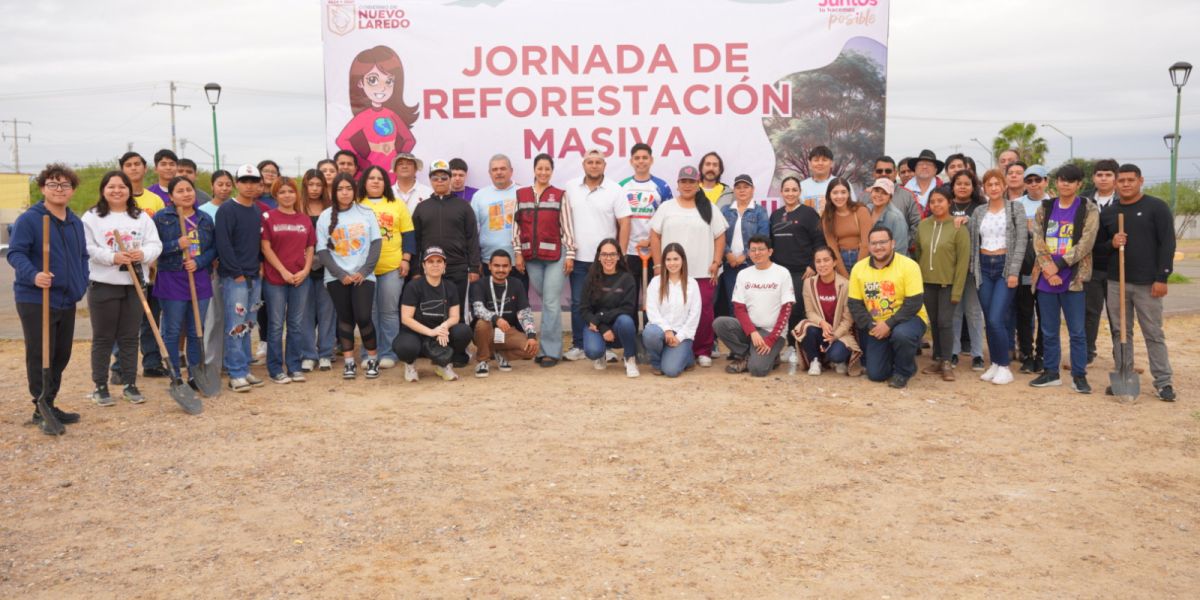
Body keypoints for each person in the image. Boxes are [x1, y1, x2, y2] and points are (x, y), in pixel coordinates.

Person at [9, 164, 89, 433]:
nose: (59, 189)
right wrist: (34, 275)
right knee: (40, 353)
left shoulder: (75, 222)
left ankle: (50, 403)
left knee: (60, 353)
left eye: (64, 185)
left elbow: (82, 257)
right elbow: (15, 253)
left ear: (72, 190)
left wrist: (81, 283)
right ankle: (39, 407)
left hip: (66, 298)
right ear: (43, 188)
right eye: (53, 184)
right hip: (35, 297)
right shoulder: (30, 219)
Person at [82, 169, 163, 404]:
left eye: (122, 187)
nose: (117, 191)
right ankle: (100, 386)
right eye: (111, 187)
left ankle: (130, 384)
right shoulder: (92, 217)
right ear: (103, 190)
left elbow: (155, 244)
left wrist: (143, 253)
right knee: (103, 337)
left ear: (129, 190)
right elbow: (86, 248)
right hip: (104, 284)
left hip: (134, 284)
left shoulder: (140, 217)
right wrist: (112, 257)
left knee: (130, 337)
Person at [1097, 164, 1176, 401]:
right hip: (1116, 282)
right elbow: (1097, 249)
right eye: (1121, 180)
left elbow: (1168, 244)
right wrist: (1112, 243)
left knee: (1153, 332)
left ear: (1141, 180)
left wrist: (1162, 277)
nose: (1126, 184)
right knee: (1121, 332)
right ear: (1116, 183)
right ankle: (1124, 375)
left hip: (1147, 283)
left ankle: (1163, 382)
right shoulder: (1109, 213)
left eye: (1131, 180)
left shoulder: (1156, 207)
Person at [1029, 164, 1099, 393]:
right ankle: (1051, 372)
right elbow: (1037, 239)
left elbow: (1086, 243)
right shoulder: (1045, 208)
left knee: (1077, 331)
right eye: (1062, 180)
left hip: (1073, 278)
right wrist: (1048, 267)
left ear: (1079, 184)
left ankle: (1079, 375)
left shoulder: (1088, 209)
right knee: (1048, 329)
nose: (1065, 184)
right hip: (1046, 278)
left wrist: (1058, 265)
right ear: (1055, 182)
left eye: (1071, 180)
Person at [649, 165, 727, 367]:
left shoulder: (708, 207)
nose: (687, 185)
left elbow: (720, 236)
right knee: (672, 310)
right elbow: (655, 236)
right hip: (671, 272)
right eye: (683, 181)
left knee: (703, 312)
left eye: (691, 181)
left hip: (702, 271)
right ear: (678, 184)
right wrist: (658, 265)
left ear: (698, 183)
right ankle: (675, 347)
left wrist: (716, 262)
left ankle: (703, 350)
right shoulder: (667, 207)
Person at [411, 159, 481, 366]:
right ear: (430, 181)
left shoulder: (463, 206)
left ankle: (458, 353)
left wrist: (474, 267)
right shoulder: (422, 208)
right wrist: (417, 269)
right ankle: (434, 350)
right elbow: (415, 241)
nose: (440, 181)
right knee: (431, 313)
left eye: (444, 177)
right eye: (435, 178)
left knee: (456, 314)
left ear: (450, 180)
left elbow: (472, 238)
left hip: (459, 269)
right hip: (430, 271)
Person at [564, 150, 631, 361]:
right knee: (577, 303)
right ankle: (579, 345)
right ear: (583, 164)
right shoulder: (570, 188)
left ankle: (607, 347)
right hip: (579, 257)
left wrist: (620, 253)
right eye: (590, 162)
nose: (594, 165)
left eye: (598, 162)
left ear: (604, 165)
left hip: (607, 261)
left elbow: (625, 222)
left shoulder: (615, 189)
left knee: (606, 303)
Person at [511, 153, 575, 367]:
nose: (543, 172)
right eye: (540, 168)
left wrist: (571, 255)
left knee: (550, 302)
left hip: (556, 256)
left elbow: (567, 228)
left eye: (547, 169)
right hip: (531, 257)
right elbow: (516, 227)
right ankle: (545, 348)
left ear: (552, 171)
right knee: (549, 300)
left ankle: (550, 351)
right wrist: (518, 252)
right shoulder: (520, 194)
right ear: (534, 170)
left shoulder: (559, 195)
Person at [317, 172, 383, 379]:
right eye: (340, 189)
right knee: (345, 319)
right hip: (337, 278)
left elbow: (376, 243)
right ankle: (348, 363)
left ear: (354, 191)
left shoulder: (365, 212)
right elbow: (322, 251)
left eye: (348, 188)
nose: (344, 193)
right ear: (333, 192)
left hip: (363, 276)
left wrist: (364, 271)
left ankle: (372, 359)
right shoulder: (325, 216)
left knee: (364, 317)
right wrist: (340, 274)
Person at [153, 176, 216, 389]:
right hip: (172, 277)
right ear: (171, 196)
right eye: (180, 191)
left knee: (196, 328)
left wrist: (199, 261)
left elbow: (213, 249)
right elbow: (154, 248)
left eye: (189, 189)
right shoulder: (162, 218)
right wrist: (175, 244)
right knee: (172, 329)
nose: (186, 194)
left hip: (198, 277)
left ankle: (194, 373)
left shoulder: (204, 219)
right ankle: (174, 375)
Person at [849, 225, 929, 388]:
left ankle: (903, 372)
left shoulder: (909, 265)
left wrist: (889, 324)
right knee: (876, 375)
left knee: (902, 335)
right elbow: (854, 304)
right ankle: (901, 358)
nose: (878, 247)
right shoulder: (859, 268)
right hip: (876, 325)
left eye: (883, 242)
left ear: (892, 243)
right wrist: (873, 326)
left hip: (908, 320)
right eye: (874, 243)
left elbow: (914, 303)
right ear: (869, 246)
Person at [968, 168, 1027, 385]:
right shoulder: (979, 212)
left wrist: (1013, 272)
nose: (993, 188)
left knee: (996, 318)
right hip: (984, 267)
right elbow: (973, 239)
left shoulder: (1015, 208)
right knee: (989, 319)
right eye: (989, 184)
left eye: (996, 184)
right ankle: (994, 363)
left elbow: (1021, 241)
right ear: (984, 188)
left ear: (1004, 186)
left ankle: (1004, 366)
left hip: (1004, 267)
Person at [214, 164, 267, 392]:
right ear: (237, 183)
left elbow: (257, 244)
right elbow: (223, 244)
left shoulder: (257, 211)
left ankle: (245, 368)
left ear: (259, 184)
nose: (249, 185)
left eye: (253, 181)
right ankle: (235, 372)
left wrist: (259, 267)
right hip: (234, 277)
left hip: (254, 276)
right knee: (236, 324)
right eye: (244, 181)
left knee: (248, 324)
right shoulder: (227, 210)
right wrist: (235, 273)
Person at [358, 164, 415, 370]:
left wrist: (406, 259)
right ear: (364, 182)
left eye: (380, 178)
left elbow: (408, 234)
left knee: (389, 312)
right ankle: (368, 353)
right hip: (364, 269)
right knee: (368, 312)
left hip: (392, 266)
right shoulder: (356, 204)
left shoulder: (396, 204)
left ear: (385, 183)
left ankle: (389, 352)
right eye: (371, 178)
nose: (375, 181)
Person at [261, 177, 316, 384]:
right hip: (276, 278)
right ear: (276, 195)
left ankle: (294, 365)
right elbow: (265, 247)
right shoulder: (268, 217)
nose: (287, 195)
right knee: (276, 324)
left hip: (300, 278)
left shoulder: (304, 219)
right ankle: (276, 368)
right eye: (282, 192)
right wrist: (283, 271)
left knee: (295, 324)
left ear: (296, 194)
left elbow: (310, 247)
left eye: (290, 191)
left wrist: (306, 270)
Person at [715, 235, 794, 377]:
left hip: (771, 332)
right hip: (749, 330)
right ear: (749, 253)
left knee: (758, 370)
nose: (757, 253)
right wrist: (752, 332)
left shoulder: (782, 273)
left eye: (761, 249)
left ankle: (764, 356)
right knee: (720, 323)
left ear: (770, 251)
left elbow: (786, 310)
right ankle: (748, 354)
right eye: (753, 250)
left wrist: (770, 340)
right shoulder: (743, 274)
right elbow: (739, 308)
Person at [335, 45, 418, 179]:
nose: (382, 88)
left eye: (389, 81)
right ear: (360, 83)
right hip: (372, 171)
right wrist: (361, 163)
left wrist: (399, 160)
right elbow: (341, 140)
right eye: (373, 80)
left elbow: (410, 140)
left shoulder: (391, 114)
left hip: (393, 174)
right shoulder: (363, 117)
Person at [394, 246, 473, 382]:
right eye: (430, 262)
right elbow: (406, 319)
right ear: (424, 266)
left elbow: (455, 316)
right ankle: (410, 364)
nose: (435, 265)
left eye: (439, 261)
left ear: (444, 265)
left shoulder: (450, 286)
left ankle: (442, 364)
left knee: (463, 331)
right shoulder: (413, 286)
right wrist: (431, 332)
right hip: (416, 334)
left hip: (440, 335)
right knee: (405, 347)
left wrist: (443, 327)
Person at [914, 188, 969, 381]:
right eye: (933, 201)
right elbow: (918, 252)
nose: (936, 205)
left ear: (949, 202)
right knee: (935, 322)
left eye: (941, 201)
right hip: (927, 283)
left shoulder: (958, 227)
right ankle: (937, 359)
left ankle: (947, 362)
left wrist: (957, 291)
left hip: (948, 284)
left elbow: (963, 262)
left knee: (945, 322)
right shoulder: (923, 226)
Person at [770, 176, 823, 350]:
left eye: (794, 190)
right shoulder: (776, 215)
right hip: (780, 272)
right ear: (781, 192)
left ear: (800, 192)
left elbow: (819, 241)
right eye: (787, 190)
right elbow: (770, 243)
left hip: (801, 272)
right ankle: (785, 345)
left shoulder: (809, 214)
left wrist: (812, 266)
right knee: (781, 310)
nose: (790, 193)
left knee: (797, 309)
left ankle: (796, 347)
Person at [794, 246, 862, 377]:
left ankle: (837, 360)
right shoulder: (809, 283)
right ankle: (815, 360)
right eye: (818, 261)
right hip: (820, 330)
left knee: (836, 355)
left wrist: (834, 335)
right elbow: (810, 312)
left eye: (826, 260)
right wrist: (822, 323)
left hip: (840, 333)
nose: (822, 264)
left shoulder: (845, 284)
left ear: (835, 262)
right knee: (806, 326)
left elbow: (848, 319)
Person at [620, 142, 673, 305]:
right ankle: (631, 330)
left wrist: (651, 241)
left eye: (644, 157)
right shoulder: (622, 186)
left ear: (651, 160)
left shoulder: (662, 186)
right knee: (629, 298)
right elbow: (618, 221)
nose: (641, 161)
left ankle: (652, 329)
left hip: (654, 251)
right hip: (630, 251)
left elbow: (668, 219)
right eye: (637, 158)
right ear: (631, 161)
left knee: (654, 297)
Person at [471, 250, 539, 377]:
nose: (501, 269)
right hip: (485, 332)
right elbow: (478, 309)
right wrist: (496, 319)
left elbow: (524, 312)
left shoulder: (517, 284)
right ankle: (482, 361)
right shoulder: (480, 284)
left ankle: (499, 355)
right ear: (489, 266)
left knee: (532, 350)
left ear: (510, 267)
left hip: (506, 332)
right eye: (497, 265)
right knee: (482, 323)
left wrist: (531, 335)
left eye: (505, 266)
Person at [580, 238, 640, 377]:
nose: (609, 258)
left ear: (619, 256)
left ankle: (630, 358)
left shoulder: (627, 278)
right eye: (605, 254)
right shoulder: (590, 278)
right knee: (593, 351)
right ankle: (601, 354)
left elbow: (628, 309)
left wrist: (600, 317)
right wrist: (603, 328)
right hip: (597, 327)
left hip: (619, 326)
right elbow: (584, 309)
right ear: (599, 257)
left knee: (626, 321)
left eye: (612, 254)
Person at [643, 243, 701, 377]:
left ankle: (686, 356)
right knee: (650, 333)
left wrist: (679, 337)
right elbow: (652, 311)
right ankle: (657, 363)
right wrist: (667, 330)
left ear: (683, 260)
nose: (672, 263)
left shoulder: (692, 284)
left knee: (671, 371)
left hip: (682, 333)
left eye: (676, 259)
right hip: (660, 331)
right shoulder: (656, 282)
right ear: (663, 261)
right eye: (668, 259)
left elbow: (694, 315)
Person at [948, 172, 986, 371]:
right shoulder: (945, 205)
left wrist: (968, 221)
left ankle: (977, 354)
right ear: (952, 186)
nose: (962, 187)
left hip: (973, 267)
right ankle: (953, 351)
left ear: (973, 186)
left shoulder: (980, 208)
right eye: (958, 183)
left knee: (973, 311)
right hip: (950, 268)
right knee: (954, 311)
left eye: (967, 184)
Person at [471, 154, 526, 291]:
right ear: (489, 173)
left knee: (519, 305)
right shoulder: (479, 196)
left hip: (518, 261)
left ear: (511, 171)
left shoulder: (524, 193)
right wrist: (475, 261)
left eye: (503, 168)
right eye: (495, 169)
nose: (499, 172)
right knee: (491, 306)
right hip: (488, 262)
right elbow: (471, 232)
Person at [300, 169, 337, 371]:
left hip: (327, 267)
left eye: (318, 185)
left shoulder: (332, 209)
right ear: (304, 186)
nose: (314, 189)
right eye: (310, 185)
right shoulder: (297, 207)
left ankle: (325, 353)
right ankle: (308, 354)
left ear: (324, 187)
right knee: (305, 312)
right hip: (301, 268)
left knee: (327, 312)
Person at [1084, 159, 1120, 364]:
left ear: (1115, 178)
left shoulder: (1124, 201)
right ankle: (1087, 352)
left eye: (1108, 175)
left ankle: (1121, 355)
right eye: (1099, 175)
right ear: (1093, 178)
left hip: (1117, 267)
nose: (1103, 178)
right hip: (1092, 266)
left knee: (1117, 315)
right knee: (1090, 312)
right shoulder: (1084, 201)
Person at [1015, 165, 1050, 374]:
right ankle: (1027, 354)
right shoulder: (1016, 205)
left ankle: (1042, 355)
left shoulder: (1053, 204)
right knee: (1024, 313)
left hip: (1047, 268)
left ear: (1046, 181)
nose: (1034, 184)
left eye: (1038, 180)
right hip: (1024, 268)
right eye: (1029, 180)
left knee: (1045, 313)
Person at [720, 174, 770, 316]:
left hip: (751, 264)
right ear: (734, 191)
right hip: (729, 265)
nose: (742, 190)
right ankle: (733, 336)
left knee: (753, 303)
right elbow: (719, 234)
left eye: (746, 187)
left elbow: (763, 236)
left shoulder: (760, 211)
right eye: (738, 187)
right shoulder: (725, 210)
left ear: (753, 189)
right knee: (733, 302)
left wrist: (744, 255)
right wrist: (728, 254)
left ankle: (752, 337)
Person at [198, 170, 232, 373]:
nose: (224, 188)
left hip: (233, 270)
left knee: (233, 317)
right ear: (212, 186)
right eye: (220, 184)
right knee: (214, 317)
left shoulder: (236, 208)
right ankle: (211, 362)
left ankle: (230, 359)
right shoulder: (203, 211)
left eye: (228, 184)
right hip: (211, 270)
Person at [820, 177, 871, 277]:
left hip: (862, 257)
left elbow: (866, 243)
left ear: (849, 194)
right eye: (835, 193)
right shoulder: (827, 217)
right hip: (841, 261)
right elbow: (832, 248)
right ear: (829, 195)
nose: (839, 196)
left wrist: (857, 272)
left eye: (843, 192)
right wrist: (844, 275)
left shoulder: (861, 211)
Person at [873, 156, 922, 246]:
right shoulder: (864, 196)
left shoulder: (908, 195)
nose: (883, 174)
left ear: (895, 173)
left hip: (900, 253)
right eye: (879, 171)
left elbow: (917, 225)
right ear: (874, 173)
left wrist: (903, 243)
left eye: (888, 171)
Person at [801, 145, 855, 212]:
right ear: (809, 164)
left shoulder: (843, 184)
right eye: (816, 160)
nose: (820, 163)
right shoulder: (801, 187)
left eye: (824, 160)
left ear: (831, 163)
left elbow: (853, 209)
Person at [866, 178, 910, 258]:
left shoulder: (896, 218)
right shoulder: (866, 209)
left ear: (890, 197)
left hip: (890, 264)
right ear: (871, 192)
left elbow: (900, 249)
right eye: (876, 191)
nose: (879, 195)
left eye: (884, 193)